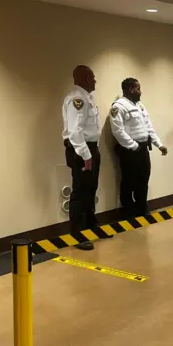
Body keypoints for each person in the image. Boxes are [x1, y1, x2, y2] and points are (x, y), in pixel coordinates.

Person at [62, 65, 110, 251]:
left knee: (91, 189)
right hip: (80, 149)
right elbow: (75, 131)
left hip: (90, 147)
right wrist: (86, 156)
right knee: (80, 192)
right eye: (92, 77)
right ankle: (78, 235)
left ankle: (91, 227)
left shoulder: (88, 98)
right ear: (83, 78)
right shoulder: (77, 99)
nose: (95, 80)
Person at [110, 78, 167, 217]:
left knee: (143, 179)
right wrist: (133, 146)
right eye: (138, 89)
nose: (140, 92)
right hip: (129, 150)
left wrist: (159, 144)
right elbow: (118, 131)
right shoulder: (119, 106)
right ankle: (129, 211)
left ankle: (142, 209)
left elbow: (148, 128)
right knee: (129, 181)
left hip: (142, 148)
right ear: (130, 90)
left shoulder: (140, 106)